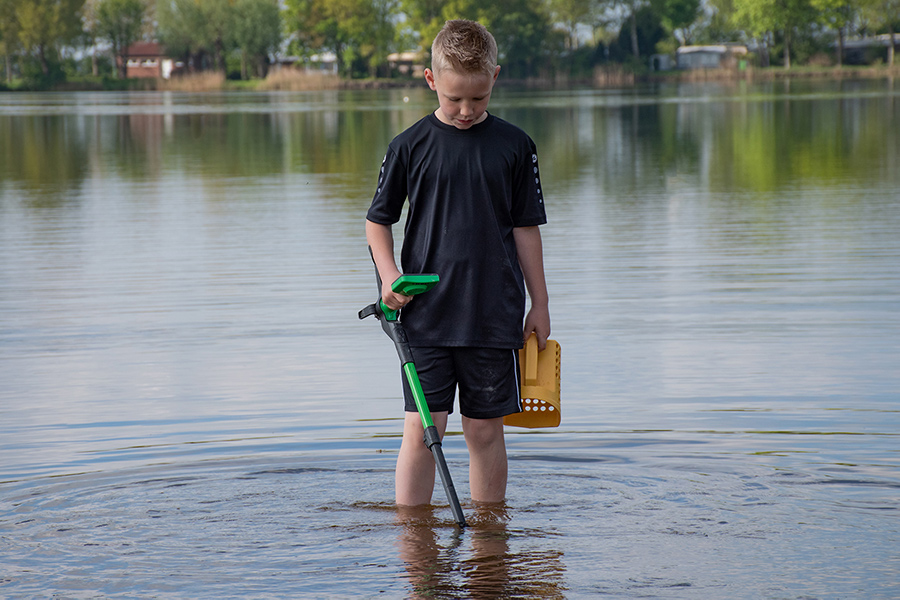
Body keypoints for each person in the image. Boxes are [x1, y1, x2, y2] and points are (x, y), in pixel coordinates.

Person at [365, 19, 550, 506]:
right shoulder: (408, 146)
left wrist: (541, 303)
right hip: (425, 316)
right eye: (454, 99)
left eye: (478, 99)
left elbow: (526, 230)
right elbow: (376, 223)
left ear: (495, 77)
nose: (466, 111)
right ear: (430, 80)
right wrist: (389, 281)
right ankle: (413, 544)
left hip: (493, 313)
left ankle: (490, 545)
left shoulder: (515, 146)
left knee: (486, 432)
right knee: (424, 432)